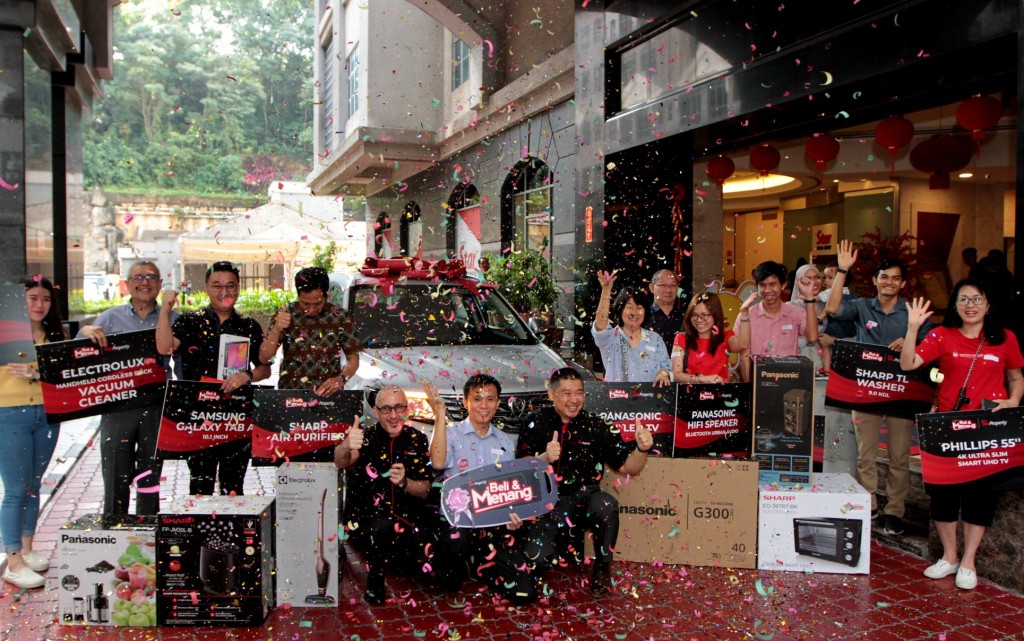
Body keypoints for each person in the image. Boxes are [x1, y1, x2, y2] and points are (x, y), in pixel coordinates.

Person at [900, 279, 1023, 590]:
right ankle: (949, 556)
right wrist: (913, 327)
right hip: (948, 428)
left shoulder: (1004, 338)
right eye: (964, 299)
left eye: (977, 299)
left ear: (988, 304)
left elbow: (1016, 377)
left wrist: (1013, 401)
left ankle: (968, 560)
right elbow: (908, 363)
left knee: (980, 496)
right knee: (943, 495)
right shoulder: (942, 335)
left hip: (986, 430)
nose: (971, 305)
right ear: (955, 305)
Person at [824, 240, 932, 535]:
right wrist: (842, 270)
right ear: (875, 281)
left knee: (899, 455)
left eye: (895, 278)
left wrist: (910, 340)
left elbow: (931, 346)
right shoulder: (860, 306)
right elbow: (832, 308)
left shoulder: (913, 313)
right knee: (866, 453)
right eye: (884, 277)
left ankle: (895, 511)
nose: (889, 282)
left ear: (903, 283)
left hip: (903, 392)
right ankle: (868, 503)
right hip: (865, 390)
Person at [516, 367, 654, 595]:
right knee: (536, 559)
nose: (574, 400)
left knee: (606, 506)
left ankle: (602, 567)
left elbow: (629, 467)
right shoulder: (534, 422)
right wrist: (543, 459)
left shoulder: (596, 426)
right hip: (544, 503)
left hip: (583, 499)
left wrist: (642, 448)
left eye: (579, 393)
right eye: (567, 393)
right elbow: (520, 470)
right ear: (551, 395)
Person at [156, 261, 270, 496]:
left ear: (238, 288)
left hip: (236, 416)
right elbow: (164, 346)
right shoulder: (189, 322)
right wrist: (165, 309)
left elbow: (264, 368)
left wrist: (245, 376)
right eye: (217, 285)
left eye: (230, 285)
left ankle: (231, 532)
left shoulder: (248, 326)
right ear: (206, 287)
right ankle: (201, 532)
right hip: (198, 417)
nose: (224, 291)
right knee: (200, 486)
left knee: (233, 486)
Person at [77, 261, 174, 521]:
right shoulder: (109, 318)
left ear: (160, 284)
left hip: (156, 405)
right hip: (117, 406)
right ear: (128, 284)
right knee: (115, 471)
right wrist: (84, 331)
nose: (145, 282)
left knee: (150, 474)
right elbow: (77, 354)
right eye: (138, 277)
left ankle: (147, 529)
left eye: (151, 277)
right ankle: (113, 524)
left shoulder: (173, 316)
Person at [425, 375, 535, 606]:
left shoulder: (504, 441)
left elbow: (507, 490)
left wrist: (513, 517)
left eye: (490, 399)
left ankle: (478, 564)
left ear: (497, 403)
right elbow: (437, 462)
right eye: (477, 399)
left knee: (523, 592)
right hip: (459, 522)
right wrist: (439, 415)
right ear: (466, 402)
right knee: (454, 546)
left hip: (493, 524)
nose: (483, 405)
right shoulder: (452, 433)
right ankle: (456, 572)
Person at [334, 386, 432, 605]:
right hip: (368, 521)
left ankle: (399, 559)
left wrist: (405, 482)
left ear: (406, 409)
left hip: (407, 519)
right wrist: (347, 444)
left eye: (398, 408)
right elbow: (341, 462)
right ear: (376, 412)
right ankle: (375, 581)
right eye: (386, 409)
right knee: (380, 528)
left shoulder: (418, 439)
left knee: (425, 564)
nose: (393, 415)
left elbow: (425, 489)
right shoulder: (365, 437)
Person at [0, 276, 67, 588]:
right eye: (32, 298)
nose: (40, 305)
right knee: (15, 490)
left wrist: (37, 372)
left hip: (47, 415)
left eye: (46, 299)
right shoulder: (6, 333)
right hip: (9, 414)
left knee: (33, 485)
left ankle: (27, 550)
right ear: (18, 301)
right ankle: (12, 561)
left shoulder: (55, 335)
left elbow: (64, 374)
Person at [258, 267, 360, 462]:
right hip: (291, 401)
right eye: (305, 303)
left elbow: (353, 360)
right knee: (290, 462)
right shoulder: (286, 314)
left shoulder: (341, 317)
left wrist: (341, 379)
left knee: (327, 463)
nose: (311, 309)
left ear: (326, 295)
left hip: (327, 402)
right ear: (298, 295)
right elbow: (264, 357)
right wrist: (278, 328)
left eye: (317, 303)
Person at [591, 270, 672, 385]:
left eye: (639, 307)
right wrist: (606, 291)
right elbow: (600, 323)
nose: (634, 312)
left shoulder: (655, 339)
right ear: (620, 309)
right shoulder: (610, 337)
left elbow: (667, 367)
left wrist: (663, 373)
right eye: (629, 307)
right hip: (616, 399)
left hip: (649, 400)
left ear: (645, 311)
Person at [671, 291, 754, 384]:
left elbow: (743, 344)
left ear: (715, 315)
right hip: (691, 394)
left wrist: (745, 314)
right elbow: (676, 375)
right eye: (694, 315)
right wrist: (699, 379)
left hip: (720, 395)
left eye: (704, 315)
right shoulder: (681, 338)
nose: (699, 320)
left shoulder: (725, 337)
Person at [746, 260, 819, 359]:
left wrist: (809, 297)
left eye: (772, 284)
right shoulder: (748, 315)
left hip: (788, 373)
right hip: (758, 372)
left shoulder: (795, 313)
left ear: (783, 285)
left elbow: (812, 337)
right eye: (762, 285)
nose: (767, 290)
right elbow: (740, 348)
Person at [817, 262, 857, 373]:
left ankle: (827, 368)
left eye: (830, 277)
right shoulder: (851, 296)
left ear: (841, 279)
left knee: (825, 344)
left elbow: (817, 300)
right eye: (825, 277)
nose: (825, 280)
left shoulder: (829, 293)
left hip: (836, 328)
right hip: (848, 331)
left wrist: (805, 297)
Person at [787, 264, 825, 371]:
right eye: (808, 278)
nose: (814, 282)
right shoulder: (789, 308)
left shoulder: (826, 306)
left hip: (823, 363)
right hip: (797, 364)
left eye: (817, 277)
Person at [643, 269, 684, 353]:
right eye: (663, 285)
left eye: (673, 285)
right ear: (652, 287)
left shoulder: (685, 317)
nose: (668, 290)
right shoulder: (642, 316)